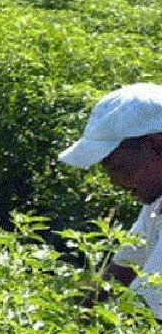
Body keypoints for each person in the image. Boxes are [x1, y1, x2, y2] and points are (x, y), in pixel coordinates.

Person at [58, 83, 162, 321]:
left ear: (157, 145)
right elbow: (120, 271)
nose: (115, 182)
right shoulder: (155, 203)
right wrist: (63, 319)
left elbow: (149, 318)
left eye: (117, 167)